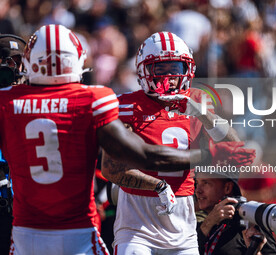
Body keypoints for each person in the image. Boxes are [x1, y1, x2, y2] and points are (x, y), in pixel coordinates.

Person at [0, 25, 230, 255]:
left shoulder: (6, 101)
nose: (169, 76)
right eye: (160, 68)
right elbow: (142, 157)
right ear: (78, 61)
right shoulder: (95, 99)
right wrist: (205, 156)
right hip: (80, 232)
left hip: (25, 232)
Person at [101, 31, 256, 255]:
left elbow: (234, 146)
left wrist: (203, 114)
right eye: (161, 69)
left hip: (182, 225)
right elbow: (112, 170)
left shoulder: (196, 101)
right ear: (144, 70)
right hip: (137, 223)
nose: (170, 76)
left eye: (176, 68)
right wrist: (157, 186)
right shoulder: (125, 106)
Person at [195, 171, 276, 255]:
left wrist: (255, 251)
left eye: (206, 183)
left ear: (227, 188)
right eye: (197, 183)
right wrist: (209, 222)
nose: (197, 190)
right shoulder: (196, 221)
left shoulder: (251, 220)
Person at [0, 33, 26, 255]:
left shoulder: (31, 100)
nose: (16, 70)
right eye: (10, 62)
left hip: (21, 200)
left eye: (19, 63)